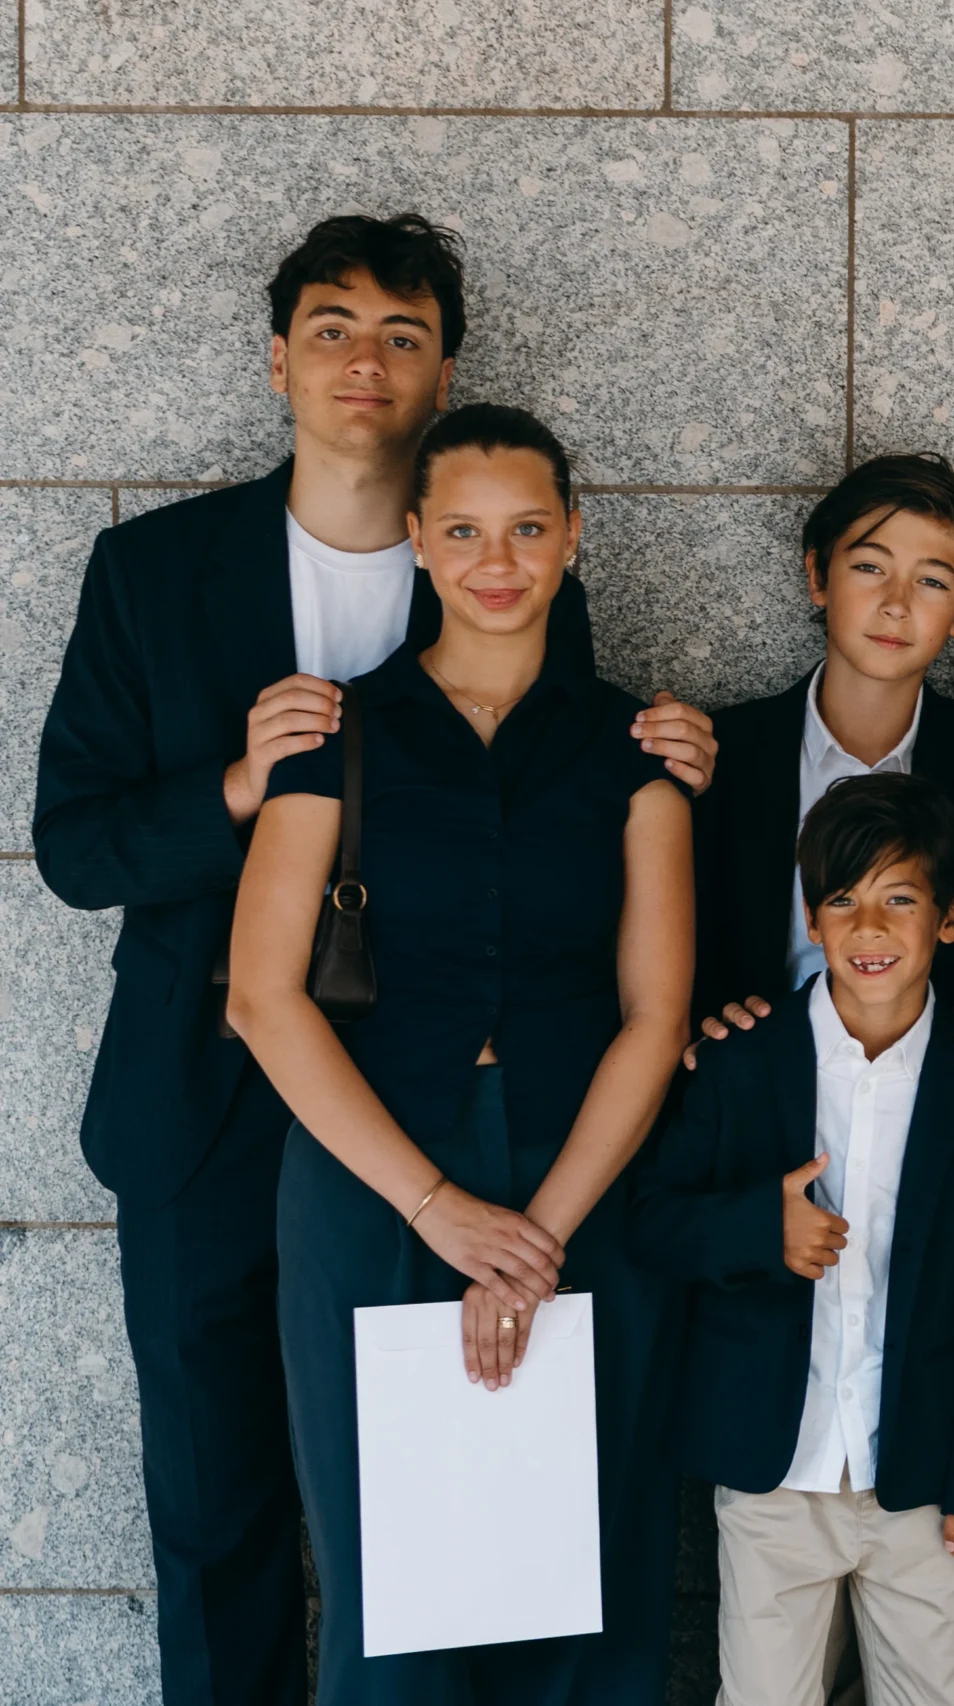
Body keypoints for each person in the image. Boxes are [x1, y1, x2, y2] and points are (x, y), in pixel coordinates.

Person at [29, 213, 714, 1706]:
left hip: (477, 1091)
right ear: (279, 359)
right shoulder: (153, 572)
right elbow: (76, 848)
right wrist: (238, 783)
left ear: (442, 370)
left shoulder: (505, 568)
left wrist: (671, 756)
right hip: (216, 1101)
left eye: (404, 336)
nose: (366, 360)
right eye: (334, 327)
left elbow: (558, 800)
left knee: (499, 1501)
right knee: (225, 1501)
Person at [227, 405, 695, 1702]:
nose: (499, 559)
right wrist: (439, 1207)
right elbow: (267, 998)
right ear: (420, 541)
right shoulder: (333, 733)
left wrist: (534, 1232)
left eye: (529, 527)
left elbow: (655, 1012)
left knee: (586, 1587)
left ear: (572, 538)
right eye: (469, 530)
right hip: (374, 1179)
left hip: (583, 1181)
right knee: (397, 1595)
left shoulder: (637, 753)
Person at [631, 773, 954, 1706]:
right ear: (811, 917)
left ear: (950, 918)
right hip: (773, 1471)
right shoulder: (741, 1060)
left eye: (901, 898)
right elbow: (651, 1221)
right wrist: (756, 1228)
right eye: (843, 900)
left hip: (925, 1479)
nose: (869, 927)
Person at [687, 452, 954, 1073]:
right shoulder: (723, 752)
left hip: (926, 1096)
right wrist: (702, 1022)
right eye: (870, 567)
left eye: (932, 580)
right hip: (751, 1088)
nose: (897, 603)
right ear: (818, 576)